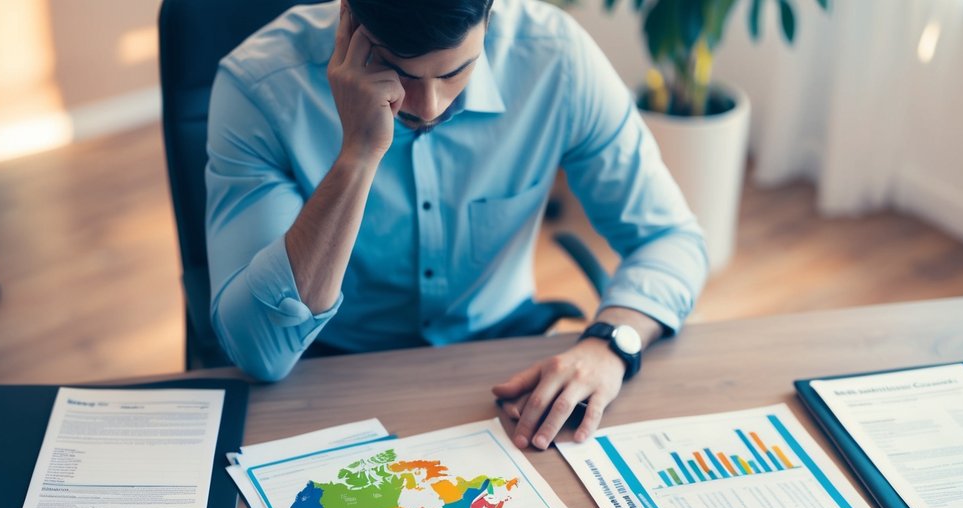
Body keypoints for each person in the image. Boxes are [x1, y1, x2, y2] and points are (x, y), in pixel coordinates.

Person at [205, 0, 707, 450]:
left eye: (455, 72)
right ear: (348, 19)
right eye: (400, 72)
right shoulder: (259, 86)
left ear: (490, 16)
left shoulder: (556, 59)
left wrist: (610, 343)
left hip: (500, 363)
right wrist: (358, 156)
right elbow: (262, 354)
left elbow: (670, 238)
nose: (429, 108)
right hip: (331, 370)